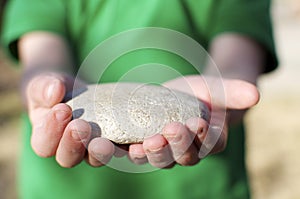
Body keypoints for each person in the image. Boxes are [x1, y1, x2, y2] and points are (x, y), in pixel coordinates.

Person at [1, 0, 277, 199]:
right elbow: (42, 58)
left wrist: (219, 100)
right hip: (62, 190)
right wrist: (49, 89)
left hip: (204, 186)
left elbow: (233, 66)